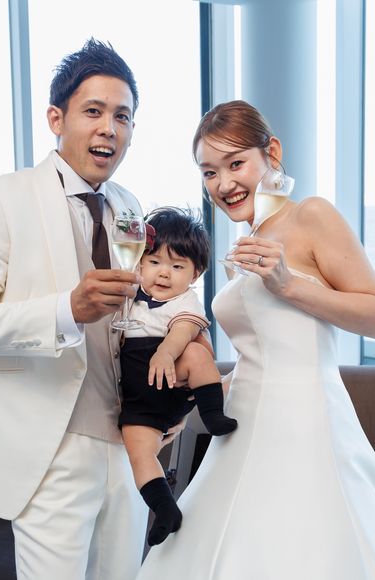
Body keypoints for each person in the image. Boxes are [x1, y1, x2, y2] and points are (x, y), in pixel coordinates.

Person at [137, 100, 375, 579]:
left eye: (236, 163)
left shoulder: (311, 216)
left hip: (305, 427)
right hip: (242, 431)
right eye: (209, 172)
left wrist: (289, 286)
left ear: (273, 153)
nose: (223, 184)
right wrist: (190, 404)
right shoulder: (248, 245)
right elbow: (260, 358)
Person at [0, 38, 180, 580]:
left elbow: (134, 321)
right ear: (55, 118)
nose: (109, 129)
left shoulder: (128, 206)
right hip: (51, 447)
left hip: (127, 445)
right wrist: (66, 309)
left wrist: (165, 399)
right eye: (93, 111)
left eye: (122, 116)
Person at [118, 206, 237, 547]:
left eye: (177, 266)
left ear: (196, 273)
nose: (164, 273)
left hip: (171, 380)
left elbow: (184, 330)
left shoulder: (186, 301)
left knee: (196, 354)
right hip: (139, 401)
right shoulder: (130, 298)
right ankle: (165, 510)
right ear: (139, 263)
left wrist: (167, 352)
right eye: (154, 262)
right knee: (140, 454)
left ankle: (212, 415)